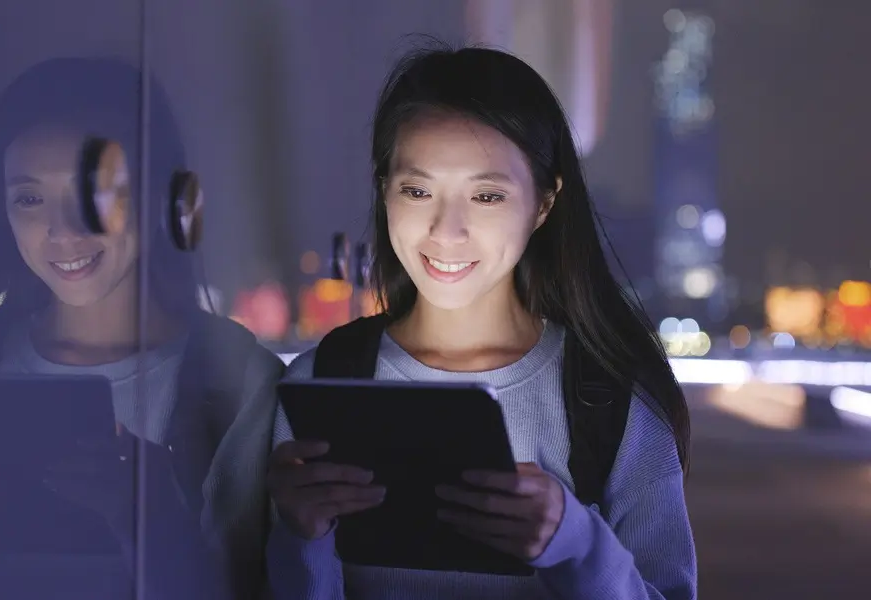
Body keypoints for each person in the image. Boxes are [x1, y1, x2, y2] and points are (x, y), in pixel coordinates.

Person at [265, 45, 696, 599]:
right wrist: (301, 540)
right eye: (417, 190)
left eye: (487, 195)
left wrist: (576, 542)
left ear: (544, 204)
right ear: (384, 190)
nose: (447, 230)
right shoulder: (322, 383)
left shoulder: (611, 400)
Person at [0, 57, 283, 599]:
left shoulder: (238, 383)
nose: (61, 229)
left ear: (159, 194)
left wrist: (154, 522)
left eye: (95, 188)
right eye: (29, 198)